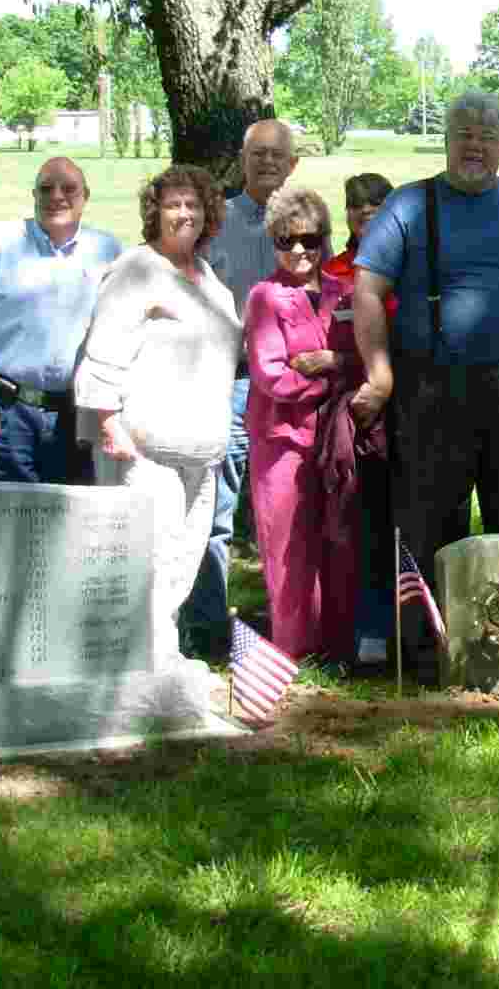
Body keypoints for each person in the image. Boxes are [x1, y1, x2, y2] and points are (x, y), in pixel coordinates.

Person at [346, 90, 499, 680]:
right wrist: (381, 371)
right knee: (427, 526)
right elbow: (366, 288)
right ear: (447, 141)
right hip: (432, 394)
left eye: (486, 136)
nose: (474, 145)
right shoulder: (411, 204)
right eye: (463, 134)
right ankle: (429, 658)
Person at [75, 165, 243, 666]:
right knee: (146, 563)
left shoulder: (209, 278)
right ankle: (141, 671)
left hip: (201, 454)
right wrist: (109, 425)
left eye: (193, 204)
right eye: (173, 204)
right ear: (155, 212)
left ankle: (161, 661)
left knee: (182, 563)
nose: (184, 213)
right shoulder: (136, 270)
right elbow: (101, 353)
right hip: (143, 452)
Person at [183, 117, 299, 659]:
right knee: (215, 510)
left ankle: (290, 626)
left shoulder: (305, 222)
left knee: (289, 509)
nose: (269, 162)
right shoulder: (217, 222)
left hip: (290, 390)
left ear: (293, 163)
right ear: (243, 160)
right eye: (258, 154)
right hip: (227, 384)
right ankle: (206, 628)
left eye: (278, 154)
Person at [0, 157, 123, 485]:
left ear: (86, 196)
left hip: (77, 415)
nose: (57, 196)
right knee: (4, 525)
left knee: (72, 525)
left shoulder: (107, 250)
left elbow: (122, 331)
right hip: (6, 414)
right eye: (46, 188)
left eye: (68, 188)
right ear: (34, 194)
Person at [242, 186, 364, 664]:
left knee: (337, 541)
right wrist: (332, 381)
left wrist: (332, 361)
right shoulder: (264, 297)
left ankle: (336, 645)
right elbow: (272, 374)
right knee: (288, 545)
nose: (298, 251)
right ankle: (293, 649)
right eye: (286, 240)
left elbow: (362, 358)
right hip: (281, 439)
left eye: (310, 240)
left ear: (324, 240)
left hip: (336, 437)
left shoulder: (344, 292)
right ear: (273, 241)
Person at [322, 171, 396, 665]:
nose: (364, 212)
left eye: (375, 205)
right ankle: (361, 630)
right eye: (354, 205)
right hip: (349, 412)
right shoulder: (331, 270)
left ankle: (406, 626)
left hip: (408, 405)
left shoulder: (410, 265)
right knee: (358, 519)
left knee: (401, 518)